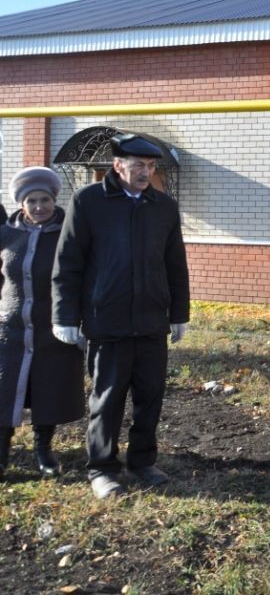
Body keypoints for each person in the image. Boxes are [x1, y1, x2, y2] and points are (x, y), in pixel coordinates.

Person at [52, 133, 190, 500]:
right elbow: (68, 264)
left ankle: (143, 461)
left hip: (150, 322)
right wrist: (65, 316)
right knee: (107, 398)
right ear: (118, 165)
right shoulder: (89, 202)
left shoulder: (163, 207)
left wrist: (179, 313)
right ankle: (102, 468)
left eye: (151, 166)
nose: (146, 172)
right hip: (107, 321)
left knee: (150, 395)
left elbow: (175, 264)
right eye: (139, 166)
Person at [0, 168, 85, 479]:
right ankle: (2, 454)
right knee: (4, 390)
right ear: (22, 204)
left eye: (45, 199)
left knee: (48, 390)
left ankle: (43, 451)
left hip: (54, 328)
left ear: (54, 200)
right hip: (10, 329)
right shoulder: (6, 234)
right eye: (32, 201)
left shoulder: (69, 233)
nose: (39, 207)